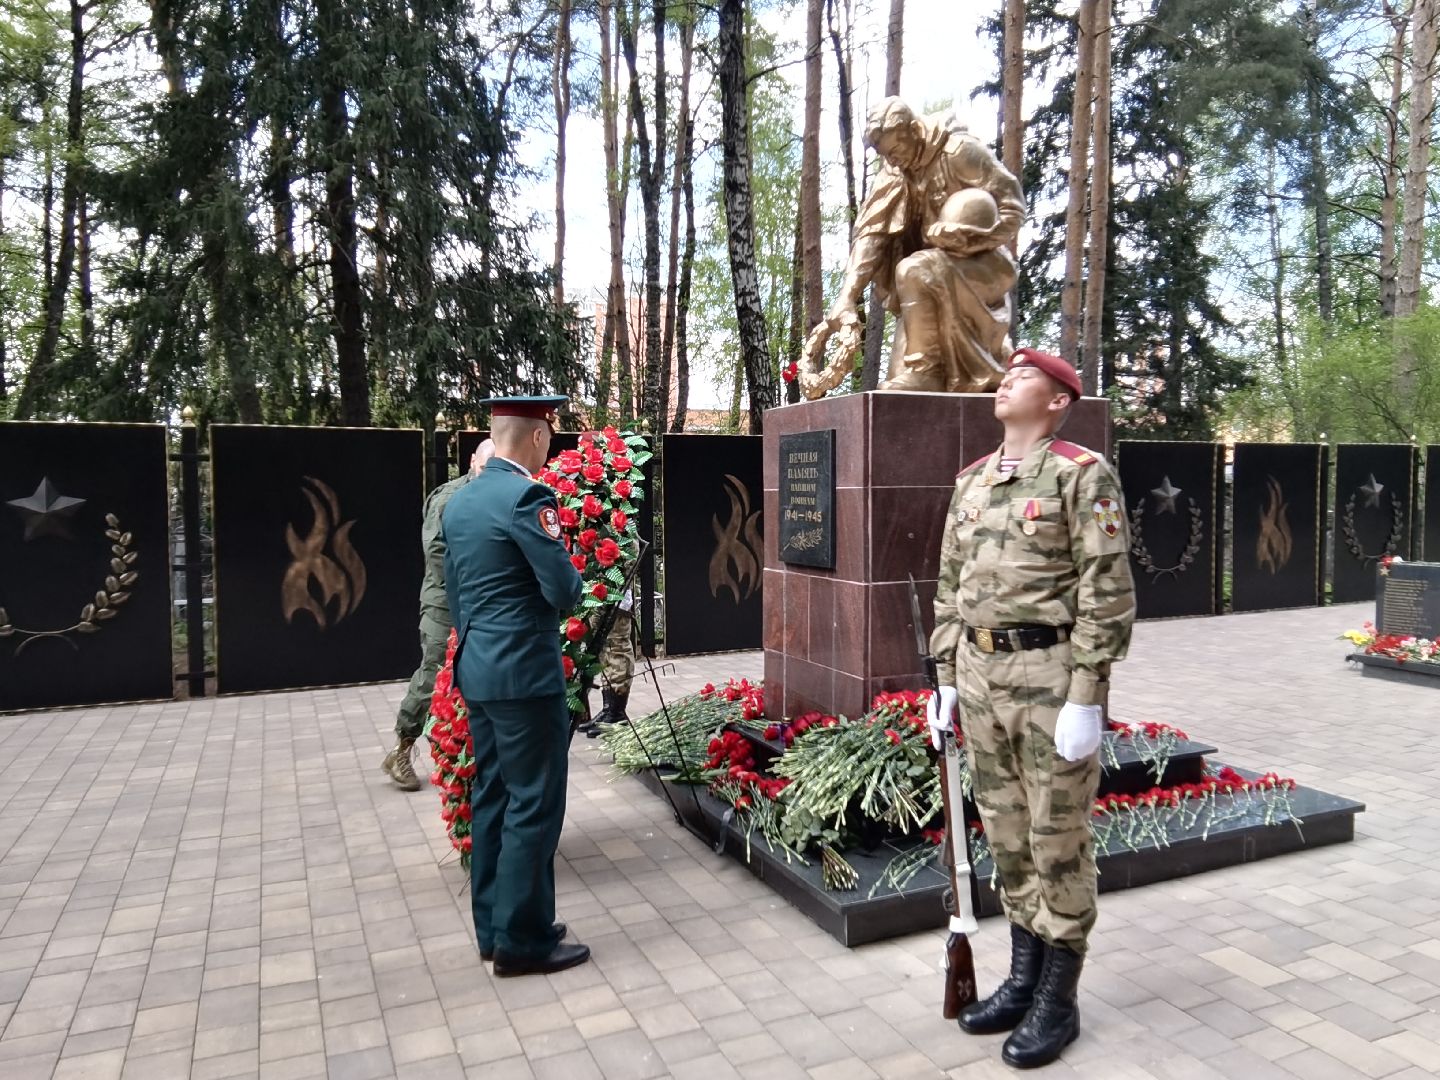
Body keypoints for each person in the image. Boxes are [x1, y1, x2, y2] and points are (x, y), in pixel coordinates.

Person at [926, 349, 1136, 1069]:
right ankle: (1023, 979)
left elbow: (1107, 587)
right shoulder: (972, 481)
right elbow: (949, 585)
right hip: (979, 671)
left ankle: (1059, 997)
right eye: (1006, 375)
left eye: (1025, 377)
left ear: (1058, 401)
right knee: (1008, 832)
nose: (1006, 381)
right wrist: (946, 677)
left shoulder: (1081, 473)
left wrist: (1087, 694)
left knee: (1057, 836)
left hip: (1049, 675)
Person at [443, 397, 587, 976]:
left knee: (493, 797)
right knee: (534, 802)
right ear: (537, 437)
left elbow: (455, 592)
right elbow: (564, 590)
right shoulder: (528, 497)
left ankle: (493, 930)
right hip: (525, 674)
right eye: (549, 434)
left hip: (479, 669)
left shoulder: (462, 500)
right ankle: (523, 941)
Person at [801, 97, 1026, 399]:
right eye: (886, 156)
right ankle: (930, 371)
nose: (893, 161)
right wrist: (847, 296)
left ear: (914, 130)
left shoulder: (959, 151)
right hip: (928, 278)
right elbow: (873, 233)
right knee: (898, 385)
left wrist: (970, 239)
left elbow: (1013, 207)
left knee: (911, 269)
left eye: (896, 151)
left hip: (984, 267)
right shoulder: (895, 169)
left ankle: (931, 370)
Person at [382, 440, 495, 790]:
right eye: (484, 466)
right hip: (444, 603)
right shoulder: (449, 498)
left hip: (479, 603)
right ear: (472, 461)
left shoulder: (494, 496)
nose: (488, 473)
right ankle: (402, 748)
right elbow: (436, 555)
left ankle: (463, 753)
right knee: (433, 672)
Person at [578, 585, 636, 738]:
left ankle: (616, 713)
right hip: (599, 591)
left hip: (616, 593)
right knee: (605, 650)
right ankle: (608, 709)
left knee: (616, 647)